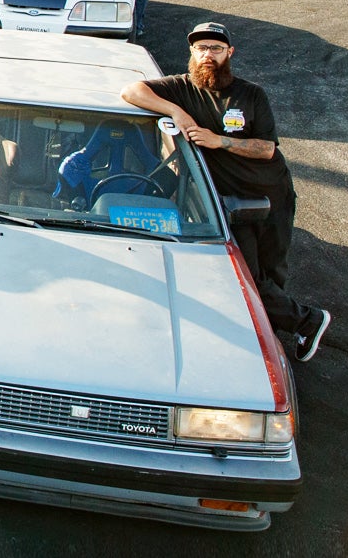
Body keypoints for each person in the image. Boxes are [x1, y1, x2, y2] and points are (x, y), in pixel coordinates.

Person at [119, 22, 332, 362]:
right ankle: (306, 322)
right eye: (201, 48)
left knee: (273, 270)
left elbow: (266, 150)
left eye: (216, 49)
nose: (208, 55)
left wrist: (221, 141)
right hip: (231, 202)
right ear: (192, 52)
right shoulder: (180, 89)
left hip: (272, 195)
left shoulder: (251, 95)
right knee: (247, 275)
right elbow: (131, 91)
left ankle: (273, 340)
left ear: (229, 53)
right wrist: (176, 111)